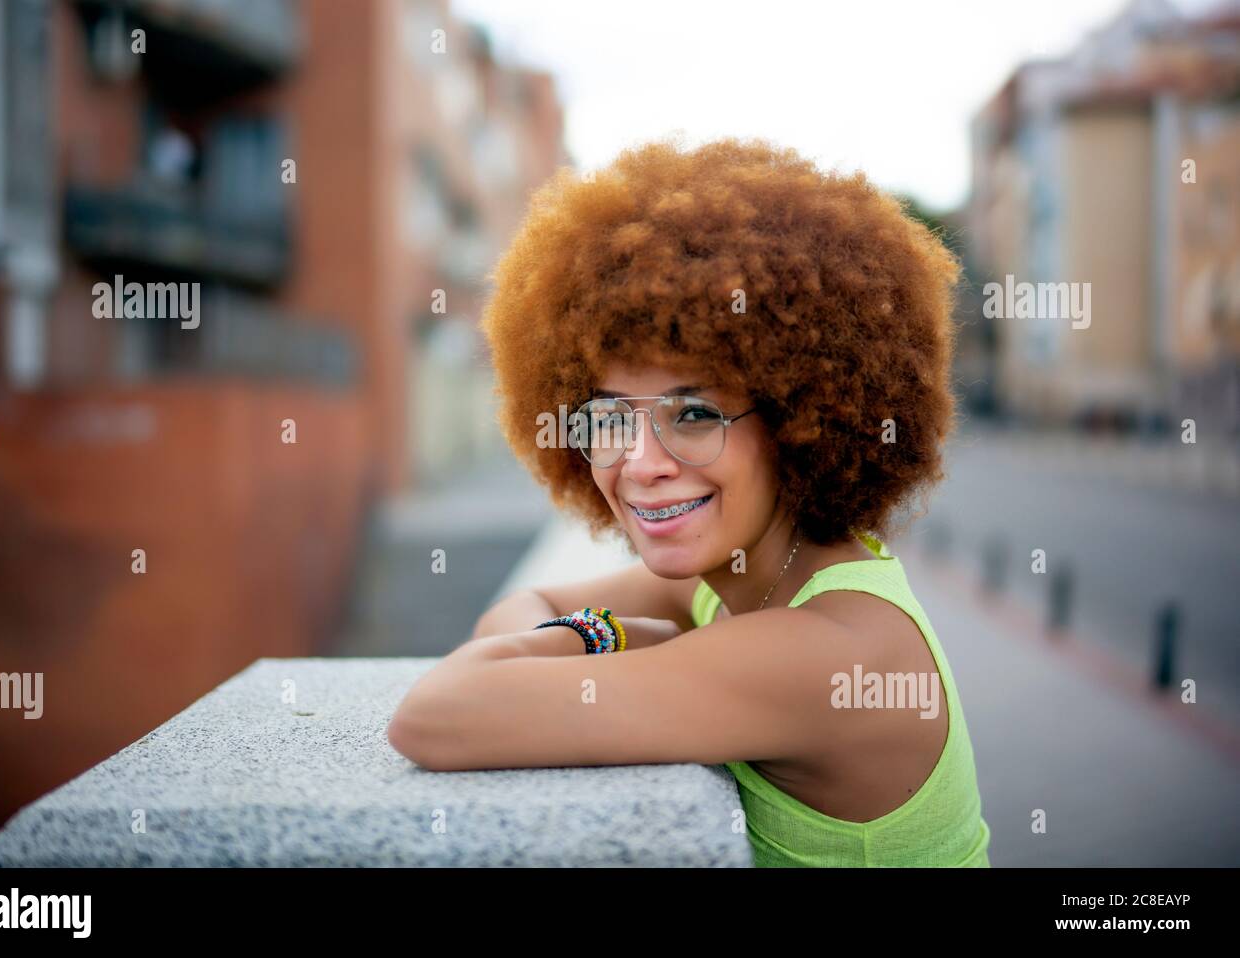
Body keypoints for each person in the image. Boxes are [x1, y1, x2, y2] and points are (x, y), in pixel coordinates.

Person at [388, 135, 991, 867]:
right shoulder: (737, 583)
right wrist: (625, 639)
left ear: (799, 421)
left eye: (695, 415)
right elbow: (526, 605)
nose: (641, 465)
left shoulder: (828, 652)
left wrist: (623, 642)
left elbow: (432, 715)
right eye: (610, 417)